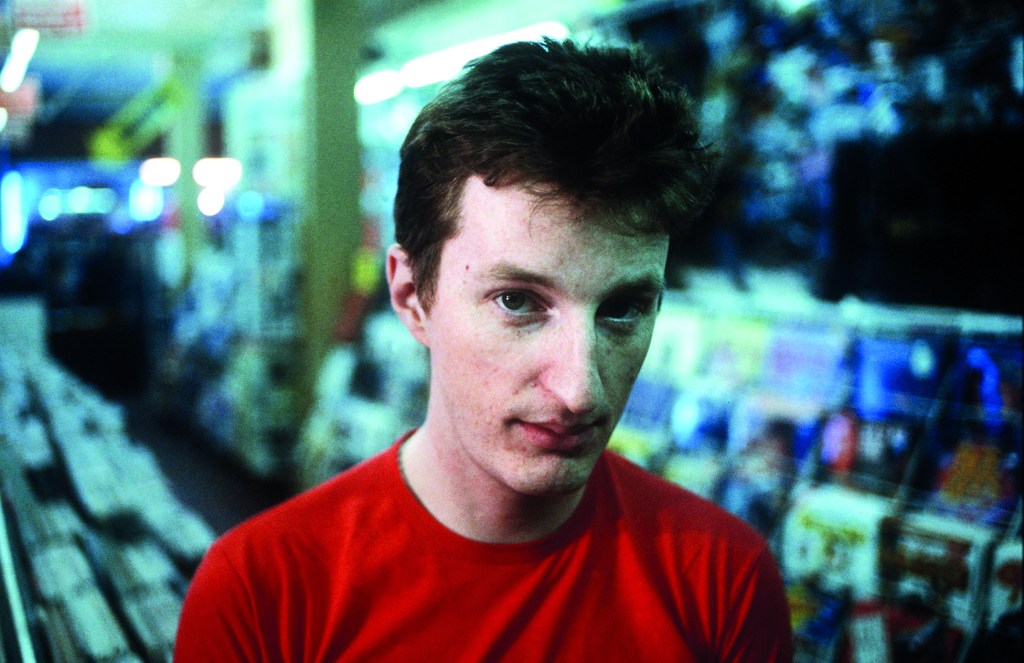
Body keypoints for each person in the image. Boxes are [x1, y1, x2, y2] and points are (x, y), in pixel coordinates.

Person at [174, 38, 794, 661]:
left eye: (623, 309)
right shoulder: (260, 596)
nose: (581, 390)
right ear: (412, 297)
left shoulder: (723, 580)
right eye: (517, 302)